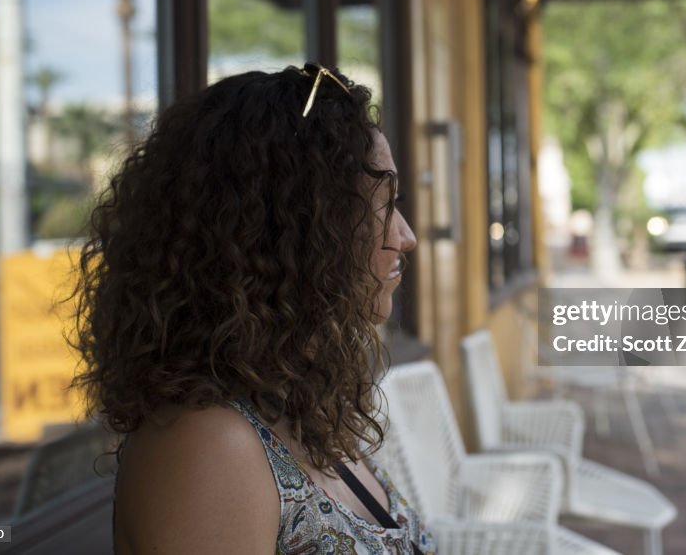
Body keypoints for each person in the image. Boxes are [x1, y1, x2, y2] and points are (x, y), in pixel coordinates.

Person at [69, 65, 432, 554]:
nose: (405, 237)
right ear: (291, 235)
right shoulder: (208, 446)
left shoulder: (298, 405)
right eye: (380, 207)